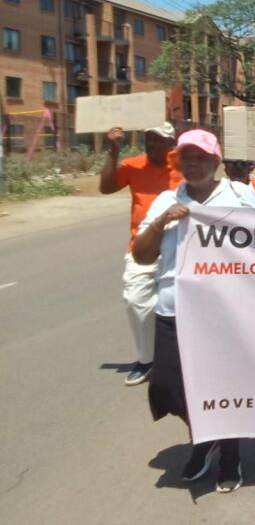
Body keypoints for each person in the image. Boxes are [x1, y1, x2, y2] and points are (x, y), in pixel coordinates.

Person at [133, 129, 255, 493]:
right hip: (174, 309)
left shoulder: (239, 197)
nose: (192, 163)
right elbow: (142, 256)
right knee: (169, 387)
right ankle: (206, 435)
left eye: (200, 157)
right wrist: (161, 224)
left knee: (224, 386)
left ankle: (229, 457)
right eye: (185, 157)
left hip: (225, 311)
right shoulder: (164, 201)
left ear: (215, 161)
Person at [99, 122, 181, 387]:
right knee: (136, 300)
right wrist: (113, 151)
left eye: (158, 140)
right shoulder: (133, 165)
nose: (152, 145)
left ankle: (183, 356)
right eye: (148, 139)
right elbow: (107, 187)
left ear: (171, 144)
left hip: (179, 245)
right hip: (142, 246)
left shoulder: (183, 167)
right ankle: (147, 360)